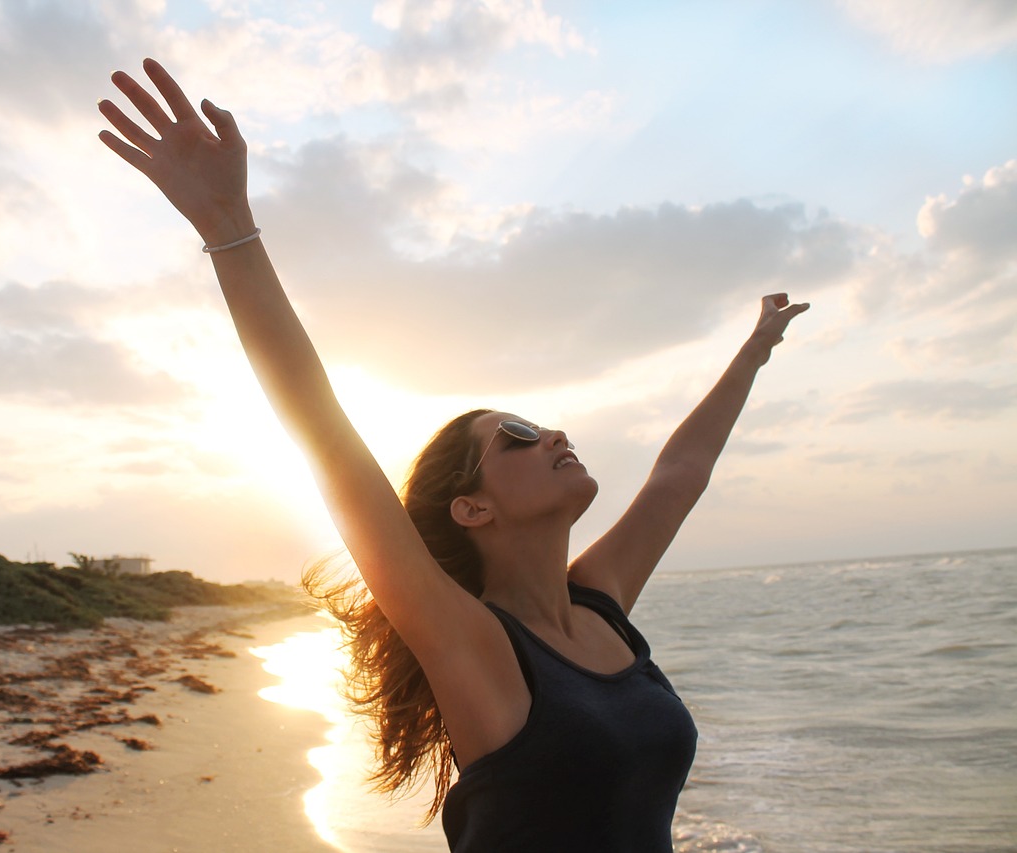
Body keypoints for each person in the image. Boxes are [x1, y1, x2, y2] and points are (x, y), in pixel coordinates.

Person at [98, 59, 809, 852]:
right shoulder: (474, 644)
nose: (553, 434)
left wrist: (753, 353)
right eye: (516, 436)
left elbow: (680, 476)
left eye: (541, 424)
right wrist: (230, 226)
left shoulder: (601, 605)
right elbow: (327, 436)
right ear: (472, 508)